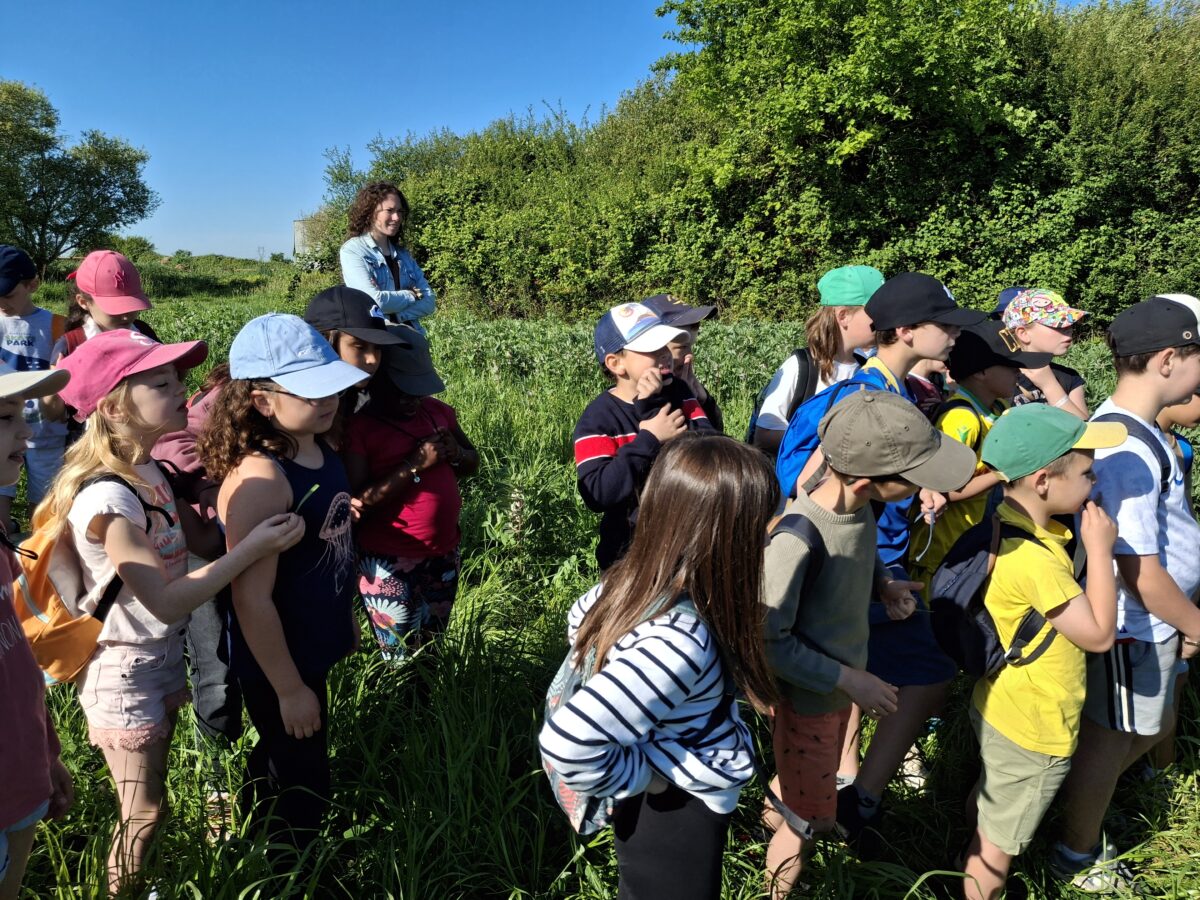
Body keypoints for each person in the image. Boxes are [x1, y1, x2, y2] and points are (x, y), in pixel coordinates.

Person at [39, 329, 305, 894]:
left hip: (156, 661)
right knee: (142, 812)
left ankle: (146, 886)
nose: (182, 390)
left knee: (151, 806)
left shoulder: (150, 473)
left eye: (177, 378)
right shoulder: (109, 500)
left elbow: (202, 541)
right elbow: (162, 602)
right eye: (161, 383)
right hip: (122, 670)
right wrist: (252, 550)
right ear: (114, 408)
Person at [540, 433, 781, 900]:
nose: (769, 534)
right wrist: (647, 779)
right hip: (676, 806)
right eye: (761, 522)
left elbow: (578, 622)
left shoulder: (634, 583)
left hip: (662, 800)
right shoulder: (679, 641)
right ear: (723, 536)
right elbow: (568, 742)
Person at [762, 391, 976, 898]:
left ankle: (784, 806)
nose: (924, 486)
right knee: (804, 823)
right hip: (811, 700)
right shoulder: (796, 539)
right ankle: (779, 871)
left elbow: (857, 551)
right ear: (867, 480)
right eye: (916, 476)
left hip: (835, 694)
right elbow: (769, 641)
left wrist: (883, 584)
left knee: (806, 786)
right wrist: (850, 679)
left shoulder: (855, 509)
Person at [198, 314, 367, 864]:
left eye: (331, 387)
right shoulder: (264, 479)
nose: (329, 400)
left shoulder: (315, 447)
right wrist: (290, 688)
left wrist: (344, 619)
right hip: (278, 660)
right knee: (305, 782)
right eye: (311, 391)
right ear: (263, 402)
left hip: (309, 644)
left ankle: (251, 827)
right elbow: (250, 599)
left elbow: (327, 549)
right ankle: (290, 872)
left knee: (283, 755)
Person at [1051, 295, 1200, 892]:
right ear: (1168, 361)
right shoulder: (1127, 450)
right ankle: (1075, 852)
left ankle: (1077, 801)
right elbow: (1137, 568)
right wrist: (1194, 623)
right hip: (1136, 625)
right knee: (1112, 741)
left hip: (1156, 622)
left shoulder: (1139, 431)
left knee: (1146, 729)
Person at [960, 404, 1127, 900]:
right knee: (996, 850)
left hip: (1000, 702)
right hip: (1034, 726)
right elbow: (1098, 635)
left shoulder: (1005, 523)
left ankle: (964, 859)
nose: (1094, 483)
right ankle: (978, 885)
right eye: (1087, 474)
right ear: (1042, 482)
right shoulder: (1035, 561)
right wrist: (1101, 550)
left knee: (991, 805)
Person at [345, 334, 479, 660]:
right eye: (402, 392)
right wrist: (414, 466)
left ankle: (431, 691)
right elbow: (358, 500)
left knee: (432, 645)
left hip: (443, 553)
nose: (413, 400)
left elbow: (472, 462)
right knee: (398, 653)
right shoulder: (361, 428)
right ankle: (402, 693)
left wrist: (456, 453)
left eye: (419, 391)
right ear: (376, 384)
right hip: (388, 561)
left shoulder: (438, 412)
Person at [0, 360, 74, 900]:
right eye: (5, 419)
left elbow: (19, 661)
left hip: (21, 774)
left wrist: (47, 754)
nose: (26, 434)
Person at [908, 321, 1051, 591]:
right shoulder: (961, 418)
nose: (1018, 372)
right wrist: (1003, 471)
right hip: (941, 555)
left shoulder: (997, 408)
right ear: (981, 372)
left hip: (971, 548)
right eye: (1010, 366)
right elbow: (941, 490)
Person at [573, 301, 715, 571]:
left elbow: (711, 448)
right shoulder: (598, 418)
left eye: (664, 346)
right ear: (616, 363)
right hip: (628, 555)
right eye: (652, 349)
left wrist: (653, 407)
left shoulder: (680, 392)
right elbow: (598, 493)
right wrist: (649, 439)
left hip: (689, 544)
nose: (664, 355)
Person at [751, 265, 882, 456]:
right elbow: (765, 435)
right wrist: (830, 444)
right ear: (843, 316)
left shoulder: (867, 367)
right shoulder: (802, 367)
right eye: (875, 312)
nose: (884, 319)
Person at [42, 250, 160, 429]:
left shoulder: (143, 334)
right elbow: (52, 414)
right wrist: (57, 385)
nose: (126, 316)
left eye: (131, 306)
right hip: (90, 440)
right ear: (83, 302)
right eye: (115, 309)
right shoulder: (71, 345)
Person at [0, 246, 68, 531]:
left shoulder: (57, 325)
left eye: (7, 294)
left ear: (32, 285)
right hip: (4, 427)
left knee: (45, 504)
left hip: (47, 431)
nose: (1, 302)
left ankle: (38, 551)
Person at [339, 182, 436, 335]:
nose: (396, 217)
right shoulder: (353, 251)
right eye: (389, 210)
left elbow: (429, 301)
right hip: (378, 339)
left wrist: (397, 316)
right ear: (371, 212)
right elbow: (373, 301)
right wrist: (410, 295)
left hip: (413, 337)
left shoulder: (404, 255)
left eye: (400, 211)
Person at [1002, 288, 1090, 419]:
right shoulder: (1000, 378)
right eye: (1057, 324)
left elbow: (1085, 428)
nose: (1069, 329)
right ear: (1023, 333)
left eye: (1070, 324)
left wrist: (1050, 386)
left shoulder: (1069, 377)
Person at [642, 293, 724, 431]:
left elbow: (714, 440)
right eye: (682, 347)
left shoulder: (688, 388)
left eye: (691, 346)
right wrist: (682, 402)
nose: (690, 355)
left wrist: (704, 403)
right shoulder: (640, 399)